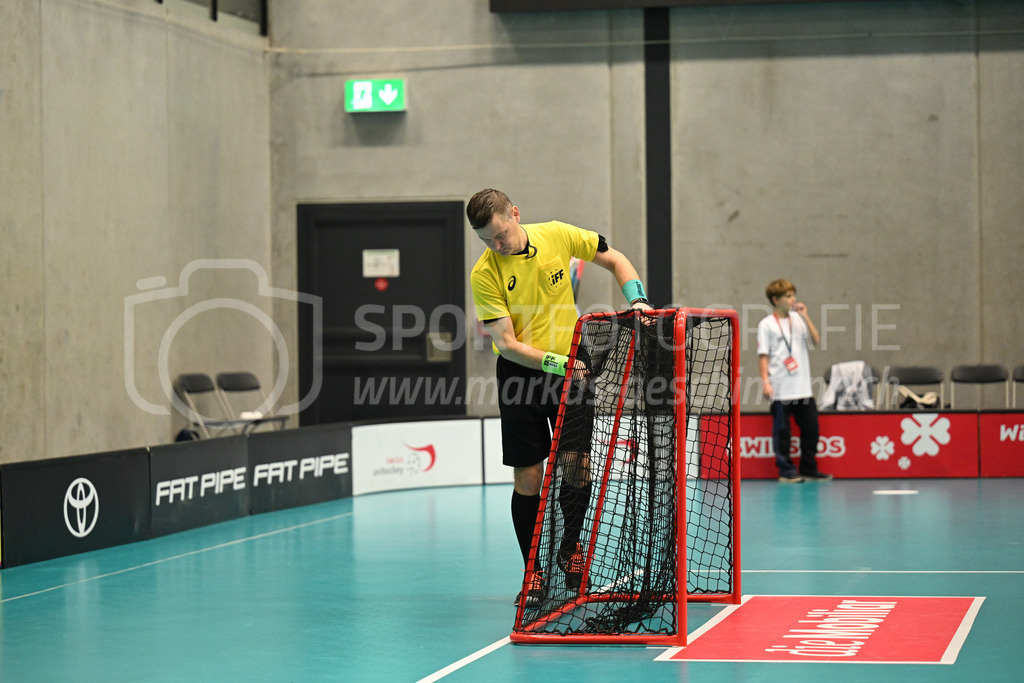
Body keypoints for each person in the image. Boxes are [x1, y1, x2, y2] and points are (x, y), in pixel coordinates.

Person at [467, 188, 652, 607]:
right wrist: (560, 364)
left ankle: (570, 550)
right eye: (486, 240)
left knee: (575, 466)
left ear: (515, 214)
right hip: (523, 375)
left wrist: (636, 298)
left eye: (500, 234)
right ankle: (533, 570)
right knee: (528, 477)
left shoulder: (558, 235)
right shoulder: (485, 273)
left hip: (572, 364)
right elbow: (508, 344)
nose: (497, 246)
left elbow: (614, 258)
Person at [757, 278, 833, 483]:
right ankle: (786, 470)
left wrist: (806, 317)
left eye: (793, 295)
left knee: (811, 430)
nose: (794, 299)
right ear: (776, 299)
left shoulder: (798, 319)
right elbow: (763, 355)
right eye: (788, 296)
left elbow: (816, 340)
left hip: (803, 389)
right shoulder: (766, 325)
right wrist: (765, 381)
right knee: (783, 433)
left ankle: (809, 468)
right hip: (781, 389)